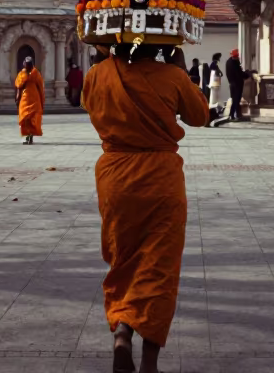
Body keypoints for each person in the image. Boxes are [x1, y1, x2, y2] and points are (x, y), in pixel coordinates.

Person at [81, 43, 211, 373]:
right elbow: (200, 116)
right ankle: (149, 363)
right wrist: (181, 72)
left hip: (116, 177)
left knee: (123, 259)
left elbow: (90, 106)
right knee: (159, 266)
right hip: (160, 179)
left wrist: (105, 64)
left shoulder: (98, 75)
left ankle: (123, 330)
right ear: (162, 46)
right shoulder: (172, 76)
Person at [16, 57, 45, 145]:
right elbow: (19, 86)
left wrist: (41, 99)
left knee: (32, 119)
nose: (27, 65)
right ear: (24, 64)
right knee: (25, 118)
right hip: (25, 99)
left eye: (29, 64)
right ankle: (28, 136)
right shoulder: (22, 73)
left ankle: (30, 137)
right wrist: (18, 96)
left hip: (34, 99)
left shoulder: (36, 73)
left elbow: (40, 87)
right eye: (26, 64)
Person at [224, 49, 254, 122]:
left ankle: (237, 114)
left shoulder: (229, 62)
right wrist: (248, 74)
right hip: (236, 84)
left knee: (236, 100)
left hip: (232, 84)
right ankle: (232, 115)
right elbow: (239, 74)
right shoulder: (234, 63)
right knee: (236, 100)